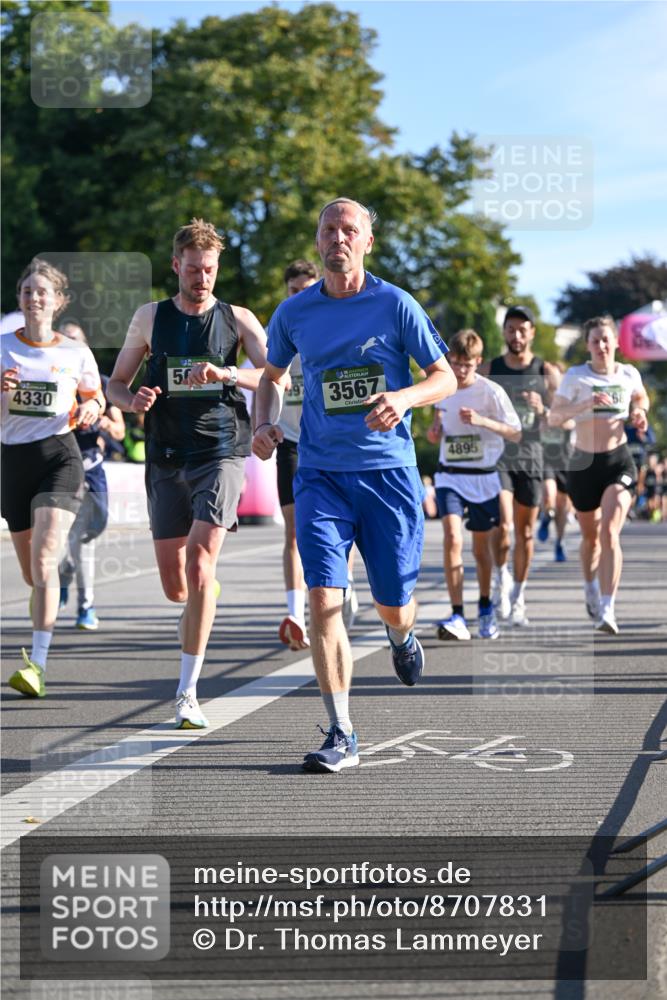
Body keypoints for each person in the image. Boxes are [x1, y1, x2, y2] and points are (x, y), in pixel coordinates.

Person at [252, 197, 456, 772]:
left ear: (367, 241)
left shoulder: (396, 304)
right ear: (318, 240)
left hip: (387, 475)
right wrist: (265, 423)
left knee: (394, 605)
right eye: (328, 229)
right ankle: (342, 731)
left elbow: (443, 377)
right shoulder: (293, 312)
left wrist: (404, 397)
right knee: (324, 599)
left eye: (348, 230)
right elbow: (271, 377)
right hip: (320, 473)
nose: (337, 238)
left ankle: (401, 636)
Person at [107, 218, 267, 728]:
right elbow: (116, 384)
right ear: (176, 265)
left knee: (200, 565)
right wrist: (132, 400)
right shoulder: (150, 317)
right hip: (165, 454)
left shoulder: (238, 318)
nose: (202, 278)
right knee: (178, 588)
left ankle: (187, 693)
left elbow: (275, 373)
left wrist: (228, 373)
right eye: (194, 269)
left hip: (221, 451)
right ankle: (201, 598)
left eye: (210, 269)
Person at [1, 260, 105, 697]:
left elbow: (95, 397)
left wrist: (91, 408)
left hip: (59, 458)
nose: (34, 298)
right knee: (34, 573)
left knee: (44, 559)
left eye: (42, 291)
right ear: (19, 298)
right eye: (27, 291)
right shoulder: (3, 347)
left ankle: (37, 666)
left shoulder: (75, 352)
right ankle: (53, 574)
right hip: (11, 462)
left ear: (58, 301)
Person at [275, 259, 360, 651]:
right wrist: (263, 423)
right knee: (295, 531)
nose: (299, 297)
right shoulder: (280, 332)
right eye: (293, 291)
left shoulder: (329, 334)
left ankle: (345, 582)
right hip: (292, 443)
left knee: (342, 528)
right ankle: (295, 613)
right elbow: (257, 378)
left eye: (306, 290)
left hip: (330, 444)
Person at [549, 316, 650, 634]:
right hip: (583, 464)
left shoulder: (628, 373)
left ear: (616, 342)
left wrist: (640, 412)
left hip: (618, 461)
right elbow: (554, 417)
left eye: (606, 339)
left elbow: (640, 397)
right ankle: (590, 586)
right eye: (595, 340)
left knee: (609, 532)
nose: (602, 345)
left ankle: (608, 608)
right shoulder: (575, 376)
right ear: (588, 345)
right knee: (591, 538)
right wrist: (584, 404)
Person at [427, 329, 521, 641]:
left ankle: (484, 607)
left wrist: (482, 421)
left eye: (466, 365)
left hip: (483, 477)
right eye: (454, 363)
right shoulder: (442, 387)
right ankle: (457, 613)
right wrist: (434, 432)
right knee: (452, 538)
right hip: (450, 475)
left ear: (478, 362)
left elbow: (516, 432)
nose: (459, 370)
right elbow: (436, 429)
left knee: (481, 550)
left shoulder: (491, 392)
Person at [482, 305, 561, 626]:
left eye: (522, 330)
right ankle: (501, 579)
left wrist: (542, 409)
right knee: (503, 525)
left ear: (532, 333)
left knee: (526, 533)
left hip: (531, 458)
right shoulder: (490, 368)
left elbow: (562, 421)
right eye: (511, 329)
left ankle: (518, 596)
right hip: (498, 457)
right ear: (504, 332)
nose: (516, 335)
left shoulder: (546, 372)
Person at [57, 322, 126, 630]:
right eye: (64, 340)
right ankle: (86, 606)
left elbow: (120, 430)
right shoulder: (53, 381)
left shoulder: (102, 384)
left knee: (94, 529)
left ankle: (65, 570)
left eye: (76, 341)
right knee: (80, 539)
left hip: (92, 466)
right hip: (60, 467)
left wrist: (104, 423)